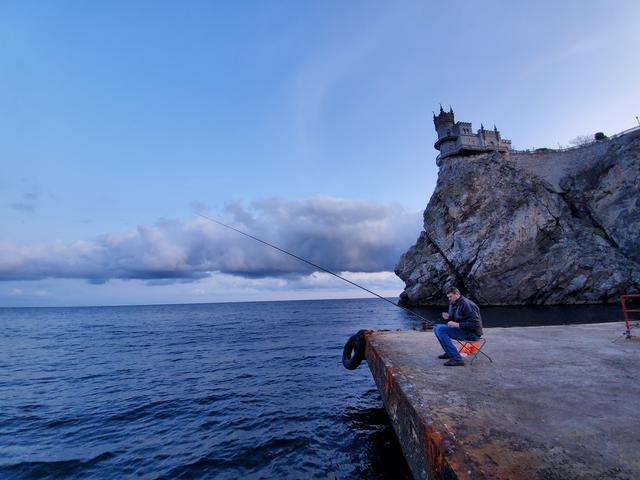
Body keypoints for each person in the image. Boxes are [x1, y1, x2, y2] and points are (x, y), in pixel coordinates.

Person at [433, 287, 483, 366]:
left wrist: (457, 325)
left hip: (472, 334)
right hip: (462, 330)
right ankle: (450, 353)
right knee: (436, 327)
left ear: (456, 294)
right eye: (448, 297)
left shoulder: (467, 304)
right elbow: (455, 320)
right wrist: (448, 318)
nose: (449, 299)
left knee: (440, 329)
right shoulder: (453, 303)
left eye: (450, 296)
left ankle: (457, 359)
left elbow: (475, 324)